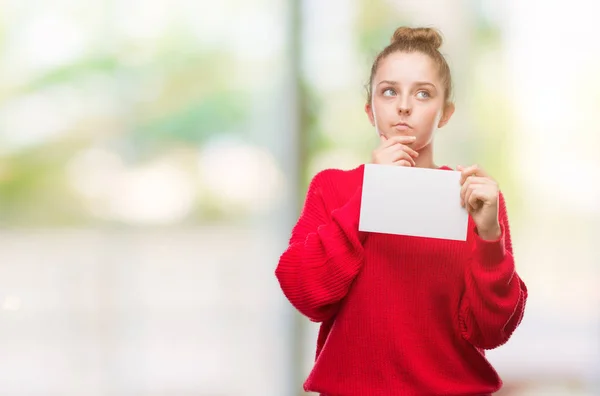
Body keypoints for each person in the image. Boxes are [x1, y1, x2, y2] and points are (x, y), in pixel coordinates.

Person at [275, 26, 528, 396]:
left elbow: (491, 330)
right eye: (389, 91)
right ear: (369, 110)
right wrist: (370, 194)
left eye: (423, 94)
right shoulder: (333, 189)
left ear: (444, 113)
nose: (404, 106)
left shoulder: (472, 199)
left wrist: (491, 238)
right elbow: (306, 292)